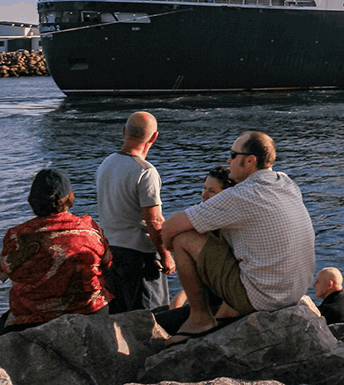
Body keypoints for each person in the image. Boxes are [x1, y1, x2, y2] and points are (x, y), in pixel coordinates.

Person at [161, 131, 316, 345]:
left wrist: (170, 250)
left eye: (233, 155)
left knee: (184, 238)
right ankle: (222, 310)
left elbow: (170, 227)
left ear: (250, 160)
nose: (228, 160)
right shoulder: (286, 183)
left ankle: (199, 318)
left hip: (263, 298)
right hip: (294, 292)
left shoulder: (243, 194)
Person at [0, 169, 112, 339]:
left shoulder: (17, 235)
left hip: (32, 319)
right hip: (89, 312)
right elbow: (107, 263)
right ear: (69, 198)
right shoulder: (90, 228)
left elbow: (2, 272)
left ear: (32, 200)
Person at [95, 111, 176, 313]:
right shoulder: (145, 171)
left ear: (124, 132)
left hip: (109, 252)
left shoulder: (105, 164)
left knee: (117, 316)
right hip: (140, 257)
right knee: (151, 318)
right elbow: (154, 221)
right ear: (154, 137)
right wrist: (165, 254)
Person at [168, 166, 237, 310]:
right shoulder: (206, 224)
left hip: (221, 306)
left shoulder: (230, 230)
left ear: (226, 196)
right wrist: (180, 298)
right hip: (207, 299)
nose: (204, 195)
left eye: (211, 191)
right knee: (157, 315)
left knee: (158, 320)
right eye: (204, 188)